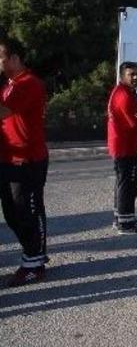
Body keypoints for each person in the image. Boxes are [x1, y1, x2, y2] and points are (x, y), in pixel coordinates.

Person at [0, 37, 50, 286]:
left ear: (15, 58)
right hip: (9, 159)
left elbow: (4, 112)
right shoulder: (9, 84)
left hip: (28, 160)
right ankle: (36, 253)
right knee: (11, 213)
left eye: (0, 57)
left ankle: (34, 263)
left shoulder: (29, 84)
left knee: (27, 211)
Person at [107, 62, 137, 234]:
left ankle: (121, 218)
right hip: (125, 147)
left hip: (126, 146)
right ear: (123, 76)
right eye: (132, 74)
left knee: (125, 183)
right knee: (129, 184)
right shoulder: (124, 95)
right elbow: (134, 122)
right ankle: (125, 223)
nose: (136, 77)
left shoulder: (126, 92)